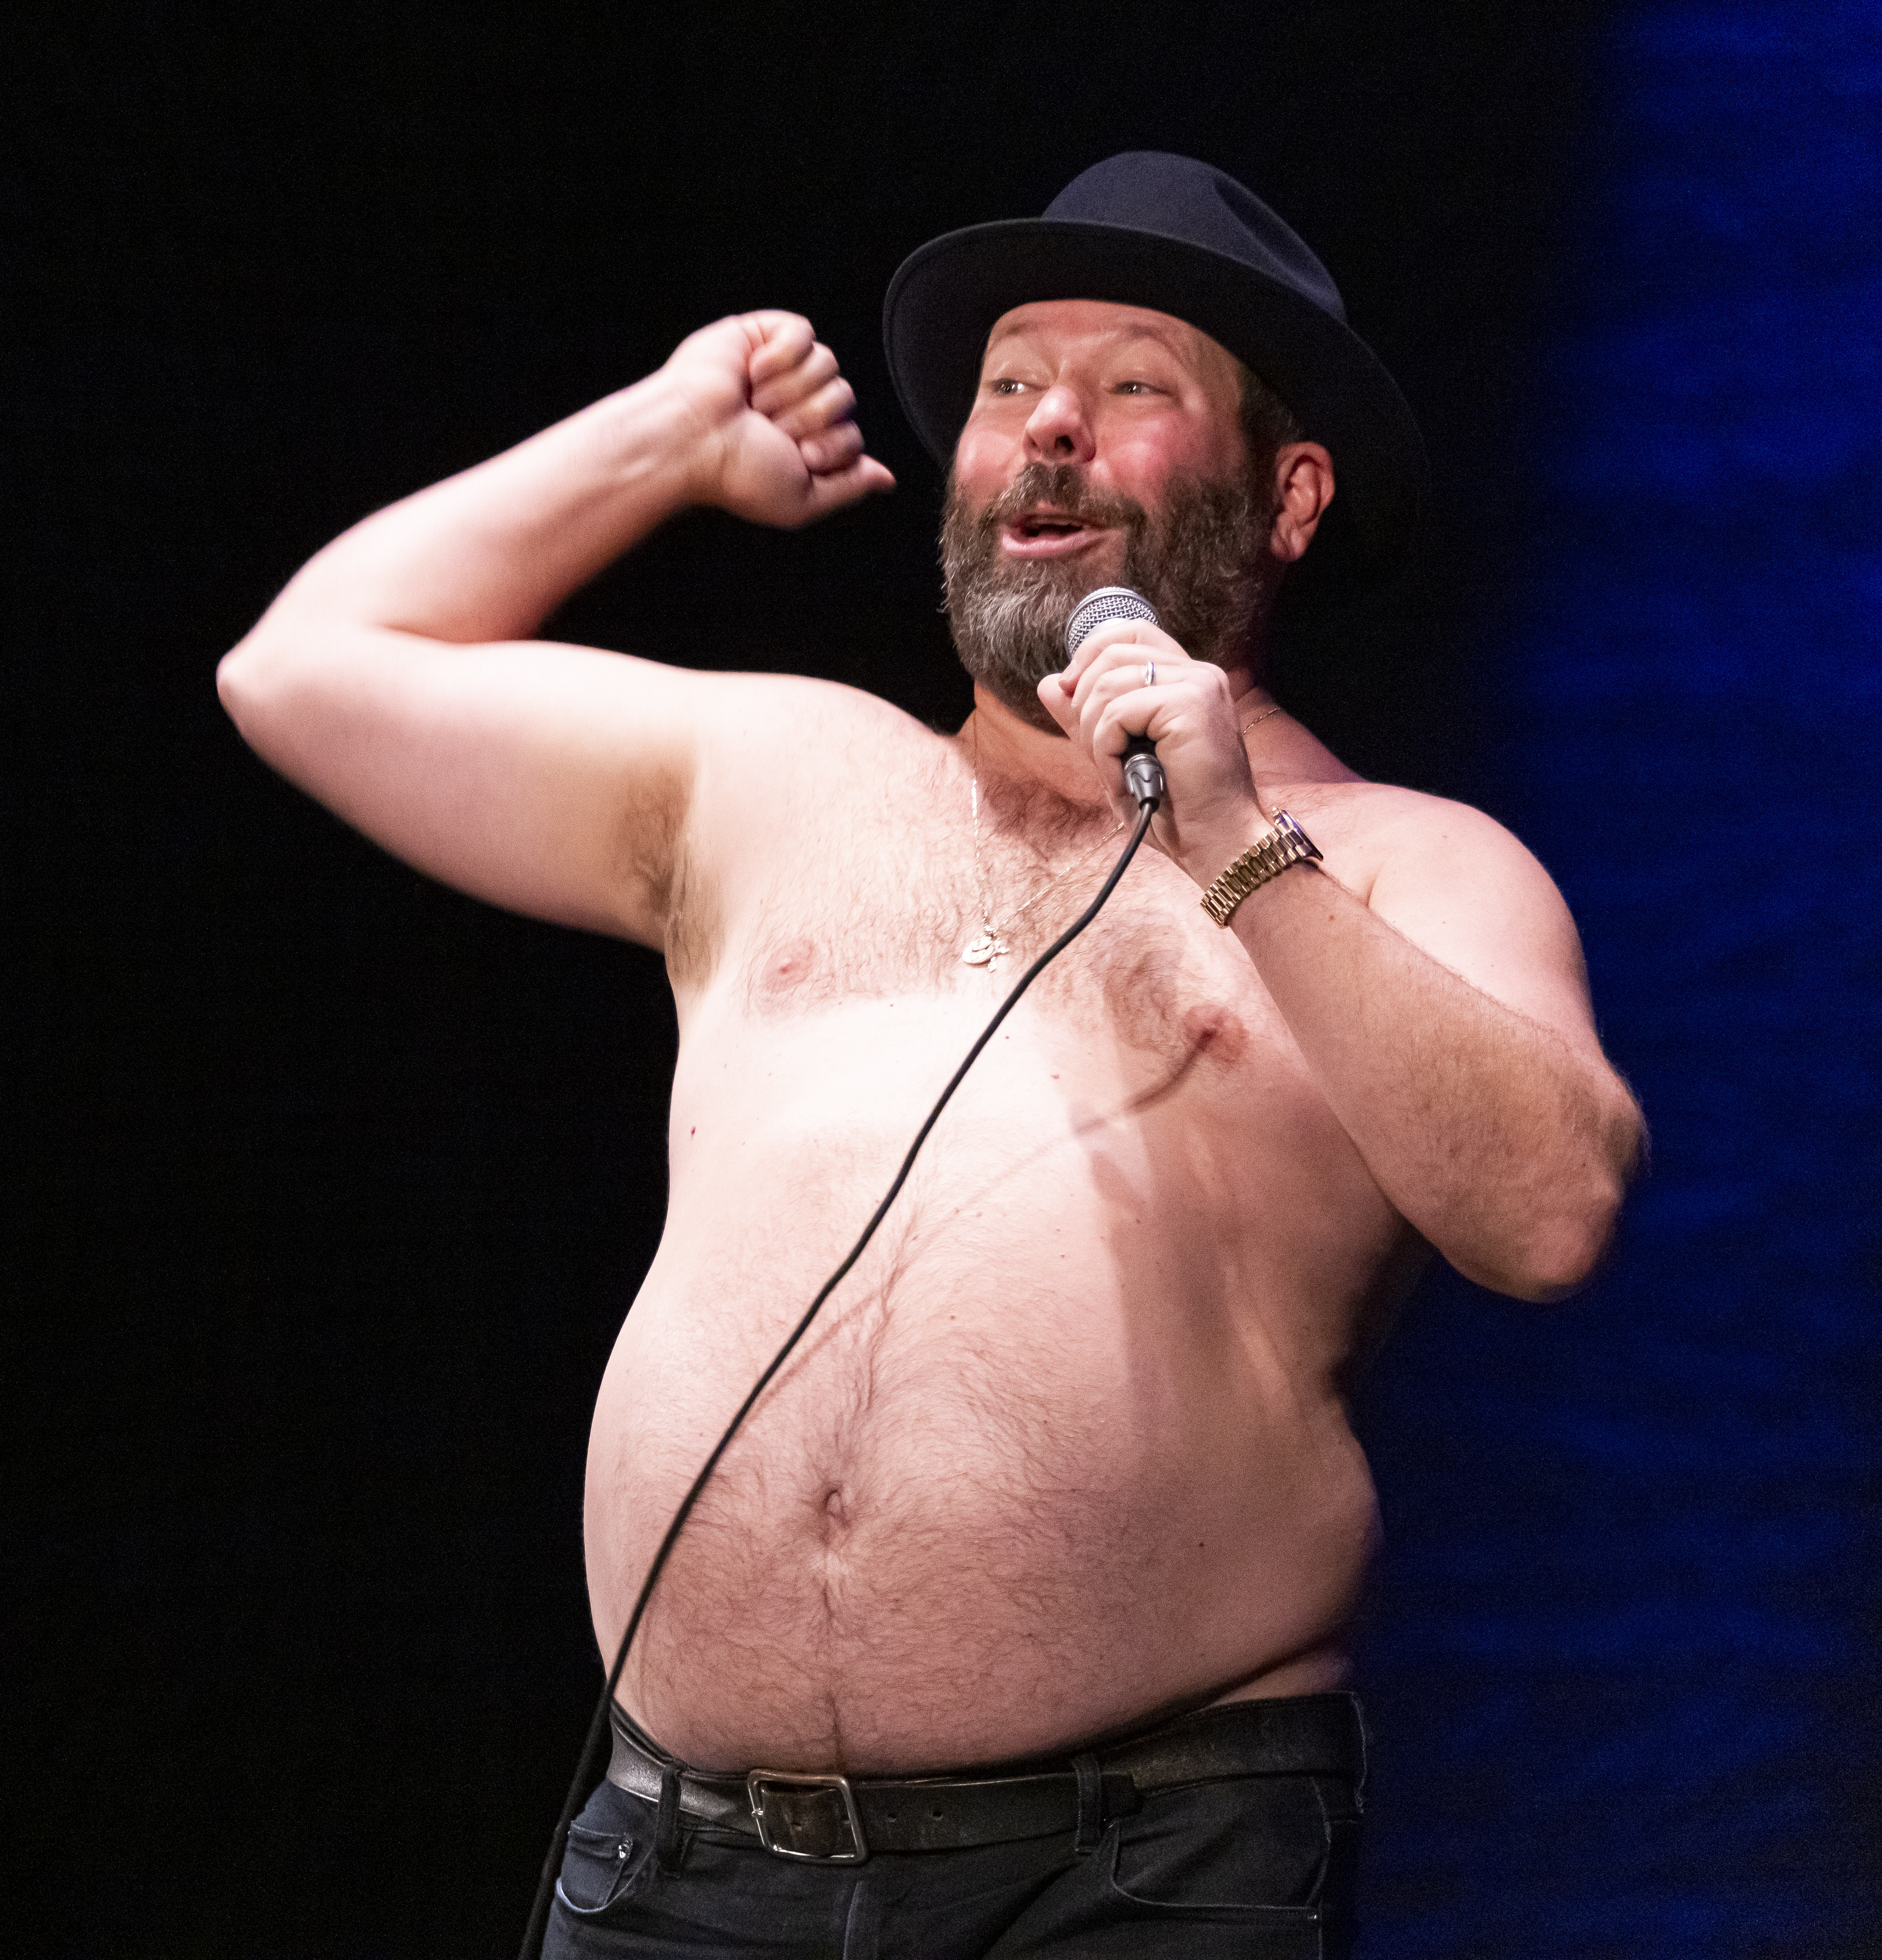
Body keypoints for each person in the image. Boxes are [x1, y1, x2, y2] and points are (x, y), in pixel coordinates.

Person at [217, 153, 1642, 1957]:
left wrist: (1231, 845)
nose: (1048, 425)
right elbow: (307, 669)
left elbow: (1549, 1215)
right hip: (675, 1868)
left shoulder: (1400, 861)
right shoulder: (776, 773)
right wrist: (657, 441)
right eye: (1005, 388)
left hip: (1138, 1867)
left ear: (1286, 496)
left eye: (1132, 388)